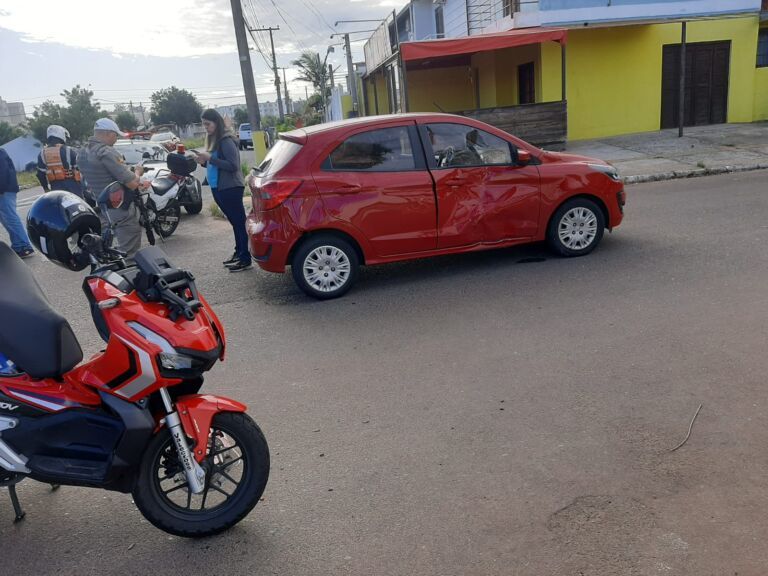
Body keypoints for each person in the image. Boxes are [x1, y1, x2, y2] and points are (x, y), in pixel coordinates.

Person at [77, 118, 150, 257]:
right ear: (108, 133)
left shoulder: (82, 153)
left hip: (102, 206)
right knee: (128, 250)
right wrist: (138, 172)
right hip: (120, 207)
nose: (116, 140)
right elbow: (132, 183)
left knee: (107, 249)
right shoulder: (106, 152)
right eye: (116, 135)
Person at [195, 108, 251, 272]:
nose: (206, 127)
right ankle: (239, 253)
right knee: (234, 222)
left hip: (231, 186)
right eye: (203, 124)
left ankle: (244, 258)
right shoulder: (214, 140)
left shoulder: (226, 140)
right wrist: (203, 161)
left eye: (208, 124)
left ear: (216, 123)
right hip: (218, 186)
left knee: (238, 223)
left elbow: (233, 166)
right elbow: (216, 163)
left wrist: (209, 158)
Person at [0, 147, 35, 258]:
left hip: (4, 190)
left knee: (10, 218)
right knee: (7, 220)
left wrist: (0, 189)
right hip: (4, 189)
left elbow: (3, 170)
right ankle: (18, 246)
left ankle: (24, 246)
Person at [36, 124, 84, 196]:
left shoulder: (42, 153)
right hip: (73, 186)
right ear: (61, 135)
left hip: (56, 188)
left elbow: (40, 174)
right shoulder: (69, 150)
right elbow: (81, 168)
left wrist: (46, 189)